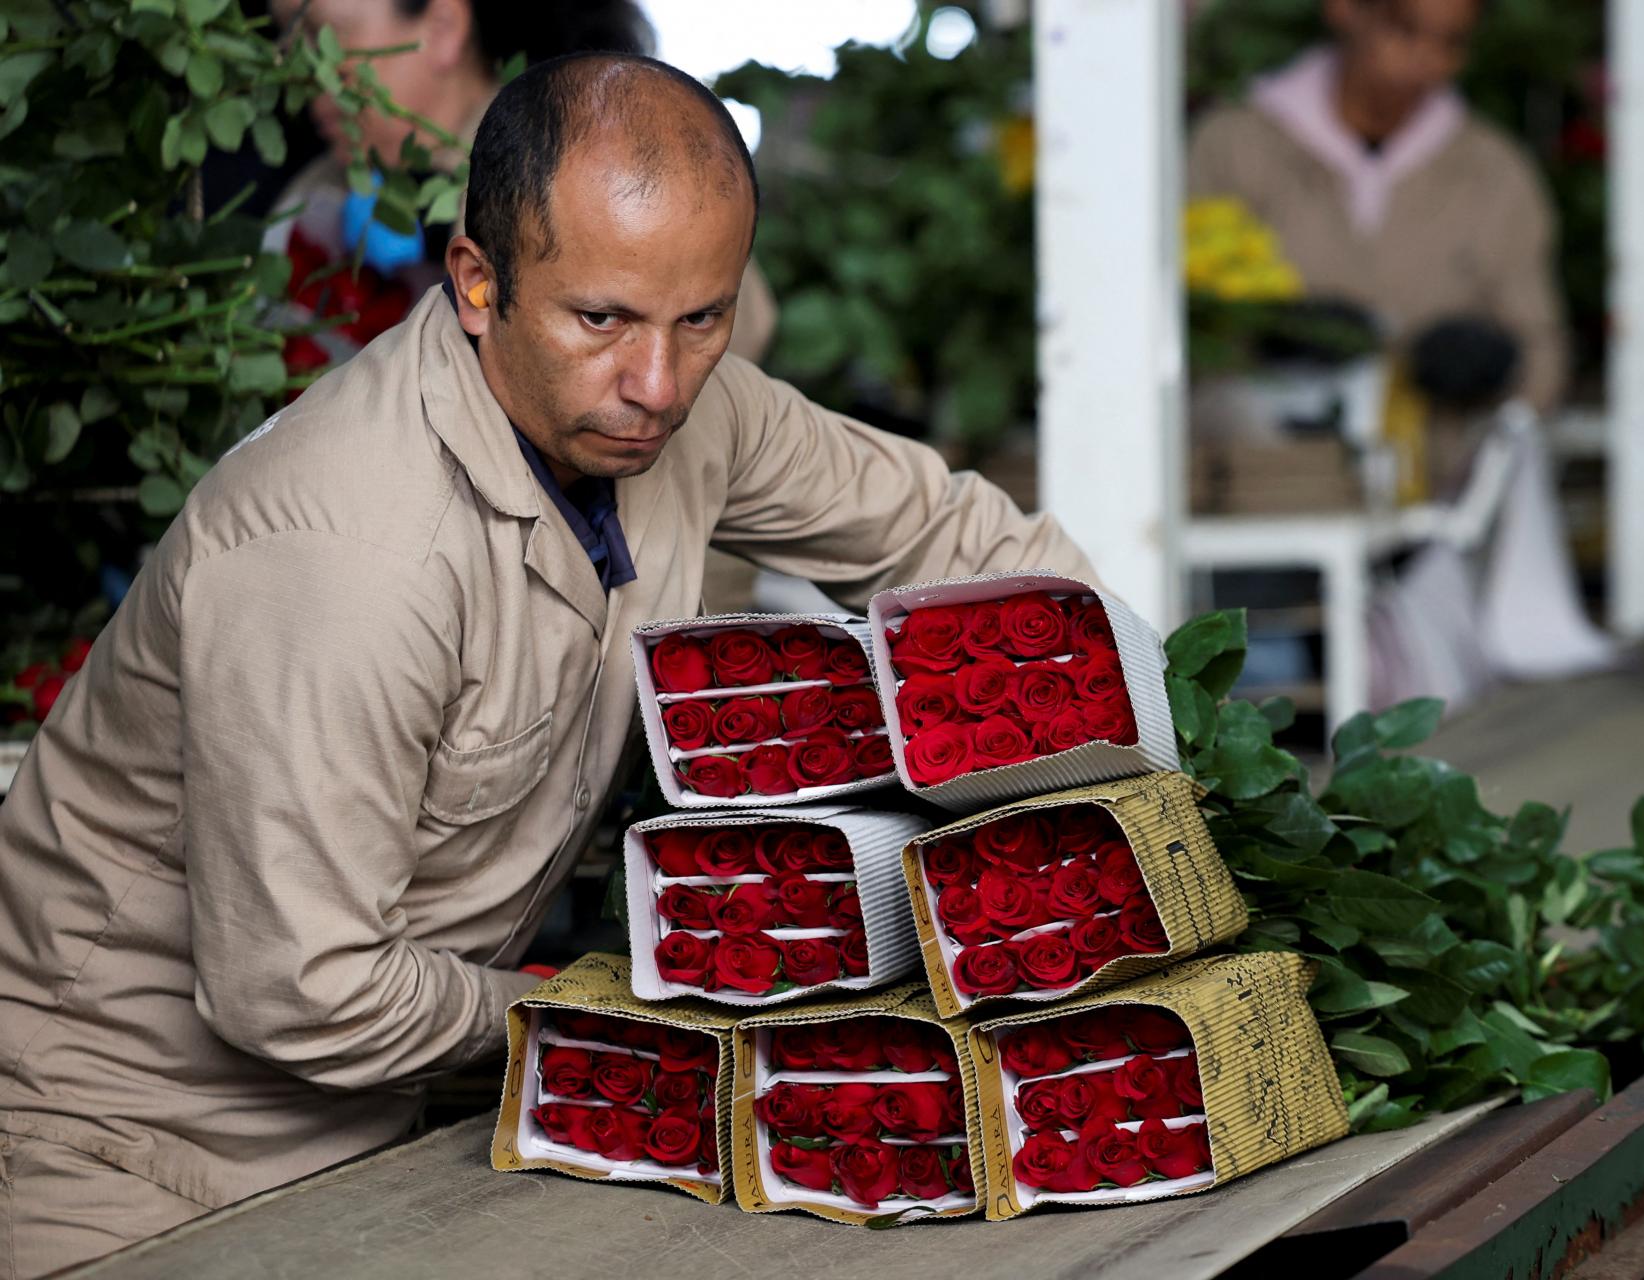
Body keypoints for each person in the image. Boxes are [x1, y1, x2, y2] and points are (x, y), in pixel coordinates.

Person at [0, 55, 1094, 1279]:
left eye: (704, 318)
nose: (659, 385)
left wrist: (1141, 731)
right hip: (119, 1157)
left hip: (382, 1128)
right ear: (478, 282)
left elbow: (950, 537)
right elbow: (300, 990)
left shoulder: (676, 406)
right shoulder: (347, 553)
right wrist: (604, 1004)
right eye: (601, 320)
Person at [266, 0, 779, 366]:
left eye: (320, 33)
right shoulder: (324, 183)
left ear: (442, 26)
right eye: (288, 39)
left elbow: (744, 321)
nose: (298, 70)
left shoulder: (578, 157)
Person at [1188, 0, 1569, 486]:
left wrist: (1499, 367)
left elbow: (1543, 353)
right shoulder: (1234, 147)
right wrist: (1263, 337)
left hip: (1434, 513)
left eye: (1451, 42)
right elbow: (1167, 334)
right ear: (1345, 10)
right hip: (1255, 501)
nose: (1427, 61)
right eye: (1405, 30)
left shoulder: (1493, 173)